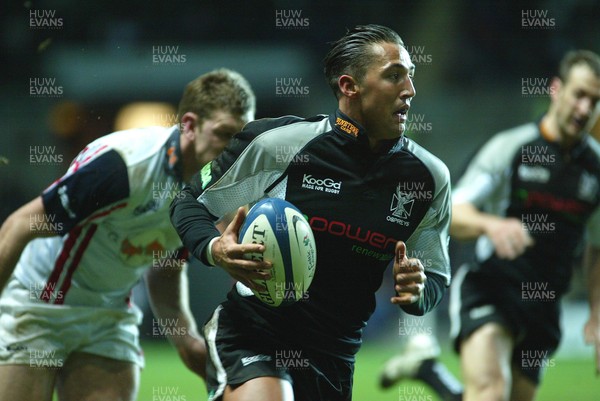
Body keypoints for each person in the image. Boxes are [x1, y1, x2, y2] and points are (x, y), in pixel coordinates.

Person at [170, 24, 451, 401]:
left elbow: (435, 274)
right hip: (256, 329)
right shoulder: (281, 143)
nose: (410, 91)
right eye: (394, 76)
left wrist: (418, 291)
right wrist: (214, 249)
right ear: (350, 86)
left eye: (410, 76)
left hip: (336, 354)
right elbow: (189, 202)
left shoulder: (428, 177)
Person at [0, 68, 256, 401]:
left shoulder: (210, 190)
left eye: (241, 137)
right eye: (224, 134)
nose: (233, 149)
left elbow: (164, 269)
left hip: (109, 317)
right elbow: (19, 225)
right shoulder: (125, 166)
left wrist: (186, 342)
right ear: (190, 125)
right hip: (38, 306)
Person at [379, 50, 600, 401]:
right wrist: (491, 225)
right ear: (556, 90)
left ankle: (427, 369)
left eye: (595, 100)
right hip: (491, 286)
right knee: (491, 394)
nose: (585, 109)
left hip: (544, 304)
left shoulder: (595, 169)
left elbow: (597, 246)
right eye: (579, 94)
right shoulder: (511, 149)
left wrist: (597, 314)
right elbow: (454, 211)